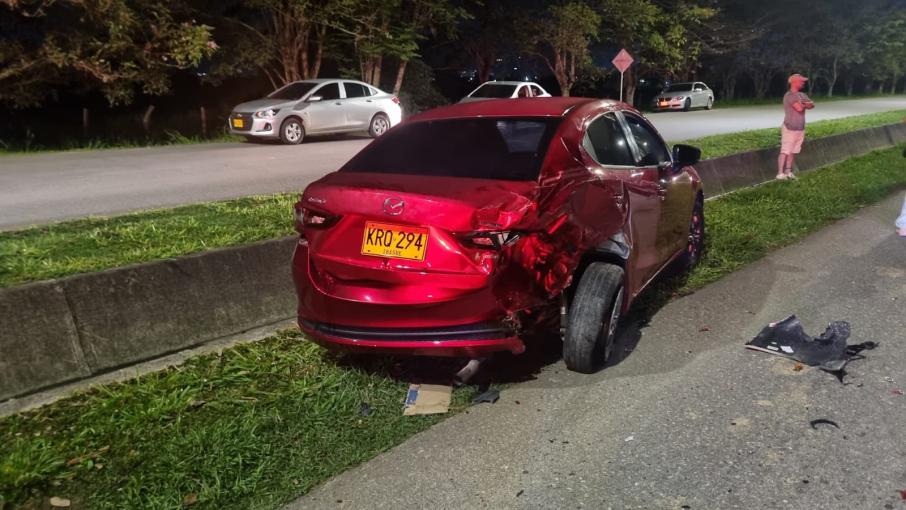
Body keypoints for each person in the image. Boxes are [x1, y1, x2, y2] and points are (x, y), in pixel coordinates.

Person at [778, 73, 815, 180]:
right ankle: (780, 174)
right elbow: (799, 108)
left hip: (800, 128)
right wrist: (806, 105)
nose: (803, 83)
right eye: (801, 81)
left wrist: (807, 104)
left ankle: (788, 172)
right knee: (785, 151)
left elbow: (812, 105)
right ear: (794, 82)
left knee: (793, 151)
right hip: (789, 127)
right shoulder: (789, 95)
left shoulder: (802, 95)